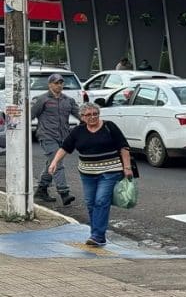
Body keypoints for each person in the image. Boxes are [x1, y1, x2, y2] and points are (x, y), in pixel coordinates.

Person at [47, 102, 132, 247]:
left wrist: (127, 167)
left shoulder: (109, 126)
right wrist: (54, 162)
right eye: (88, 115)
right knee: (91, 203)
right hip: (87, 173)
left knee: (101, 201)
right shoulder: (78, 131)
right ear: (82, 117)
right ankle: (96, 233)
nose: (92, 117)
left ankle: (98, 236)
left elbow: (123, 147)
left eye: (95, 114)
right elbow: (65, 147)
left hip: (110, 171)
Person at [31, 73, 80, 205]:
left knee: (51, 164)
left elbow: (81, 115)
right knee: (57, 164)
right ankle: (64, 193)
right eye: (56, 83)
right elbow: (30, 115)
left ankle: (41, 189)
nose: (59, 85)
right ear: (50, 84)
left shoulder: (68, 100)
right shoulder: (41, 99)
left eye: (61, 83)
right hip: (47, 136)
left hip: (63, 137)